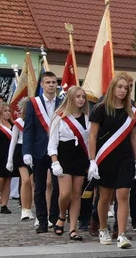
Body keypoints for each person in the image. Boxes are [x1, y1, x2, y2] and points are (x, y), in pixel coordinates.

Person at [88, 74, 136, 248]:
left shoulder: (131, 110)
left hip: (125, 158)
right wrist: (92, 160)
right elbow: (92, 136)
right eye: (120, 87)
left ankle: (122, 234)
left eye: (126, 88)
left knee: (123, 195)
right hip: (105, 157)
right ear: (113, 87)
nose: (123, 91)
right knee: (105, 196)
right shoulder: (100, 109)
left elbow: (133, 137)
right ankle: (103, 228)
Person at [23, 72, 63, 233]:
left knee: (57, 187)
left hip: (57, 152)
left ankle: (54, 218)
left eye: (54, 82)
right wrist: (26, 151)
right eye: (48, 82)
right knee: (39, 187)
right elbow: (28, 129)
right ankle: (42, 221)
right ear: (42, 85)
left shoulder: (62, 102)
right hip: (39, 150)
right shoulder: (33, 103)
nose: (51, 85)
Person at [48, 88, 90, 239]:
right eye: (78, 97)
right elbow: (52, 143)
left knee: (77, 194)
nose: (81, 100)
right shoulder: (58, 117)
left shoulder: (86, 118)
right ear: (71, 98)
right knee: (65, 193)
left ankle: (73, 229)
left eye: (83, 97)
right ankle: (61, 215)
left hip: (80, 158)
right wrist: (55, 162)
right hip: (64, 158)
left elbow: (89, 141)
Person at [5, 98, 35, 220]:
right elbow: (13, 142)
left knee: (33, 183)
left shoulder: (36, 121)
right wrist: (9, 160)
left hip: (34, 151)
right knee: (26, 180)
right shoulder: (18, 122)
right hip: (21, 150)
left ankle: (30, 208)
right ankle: (24, 208)